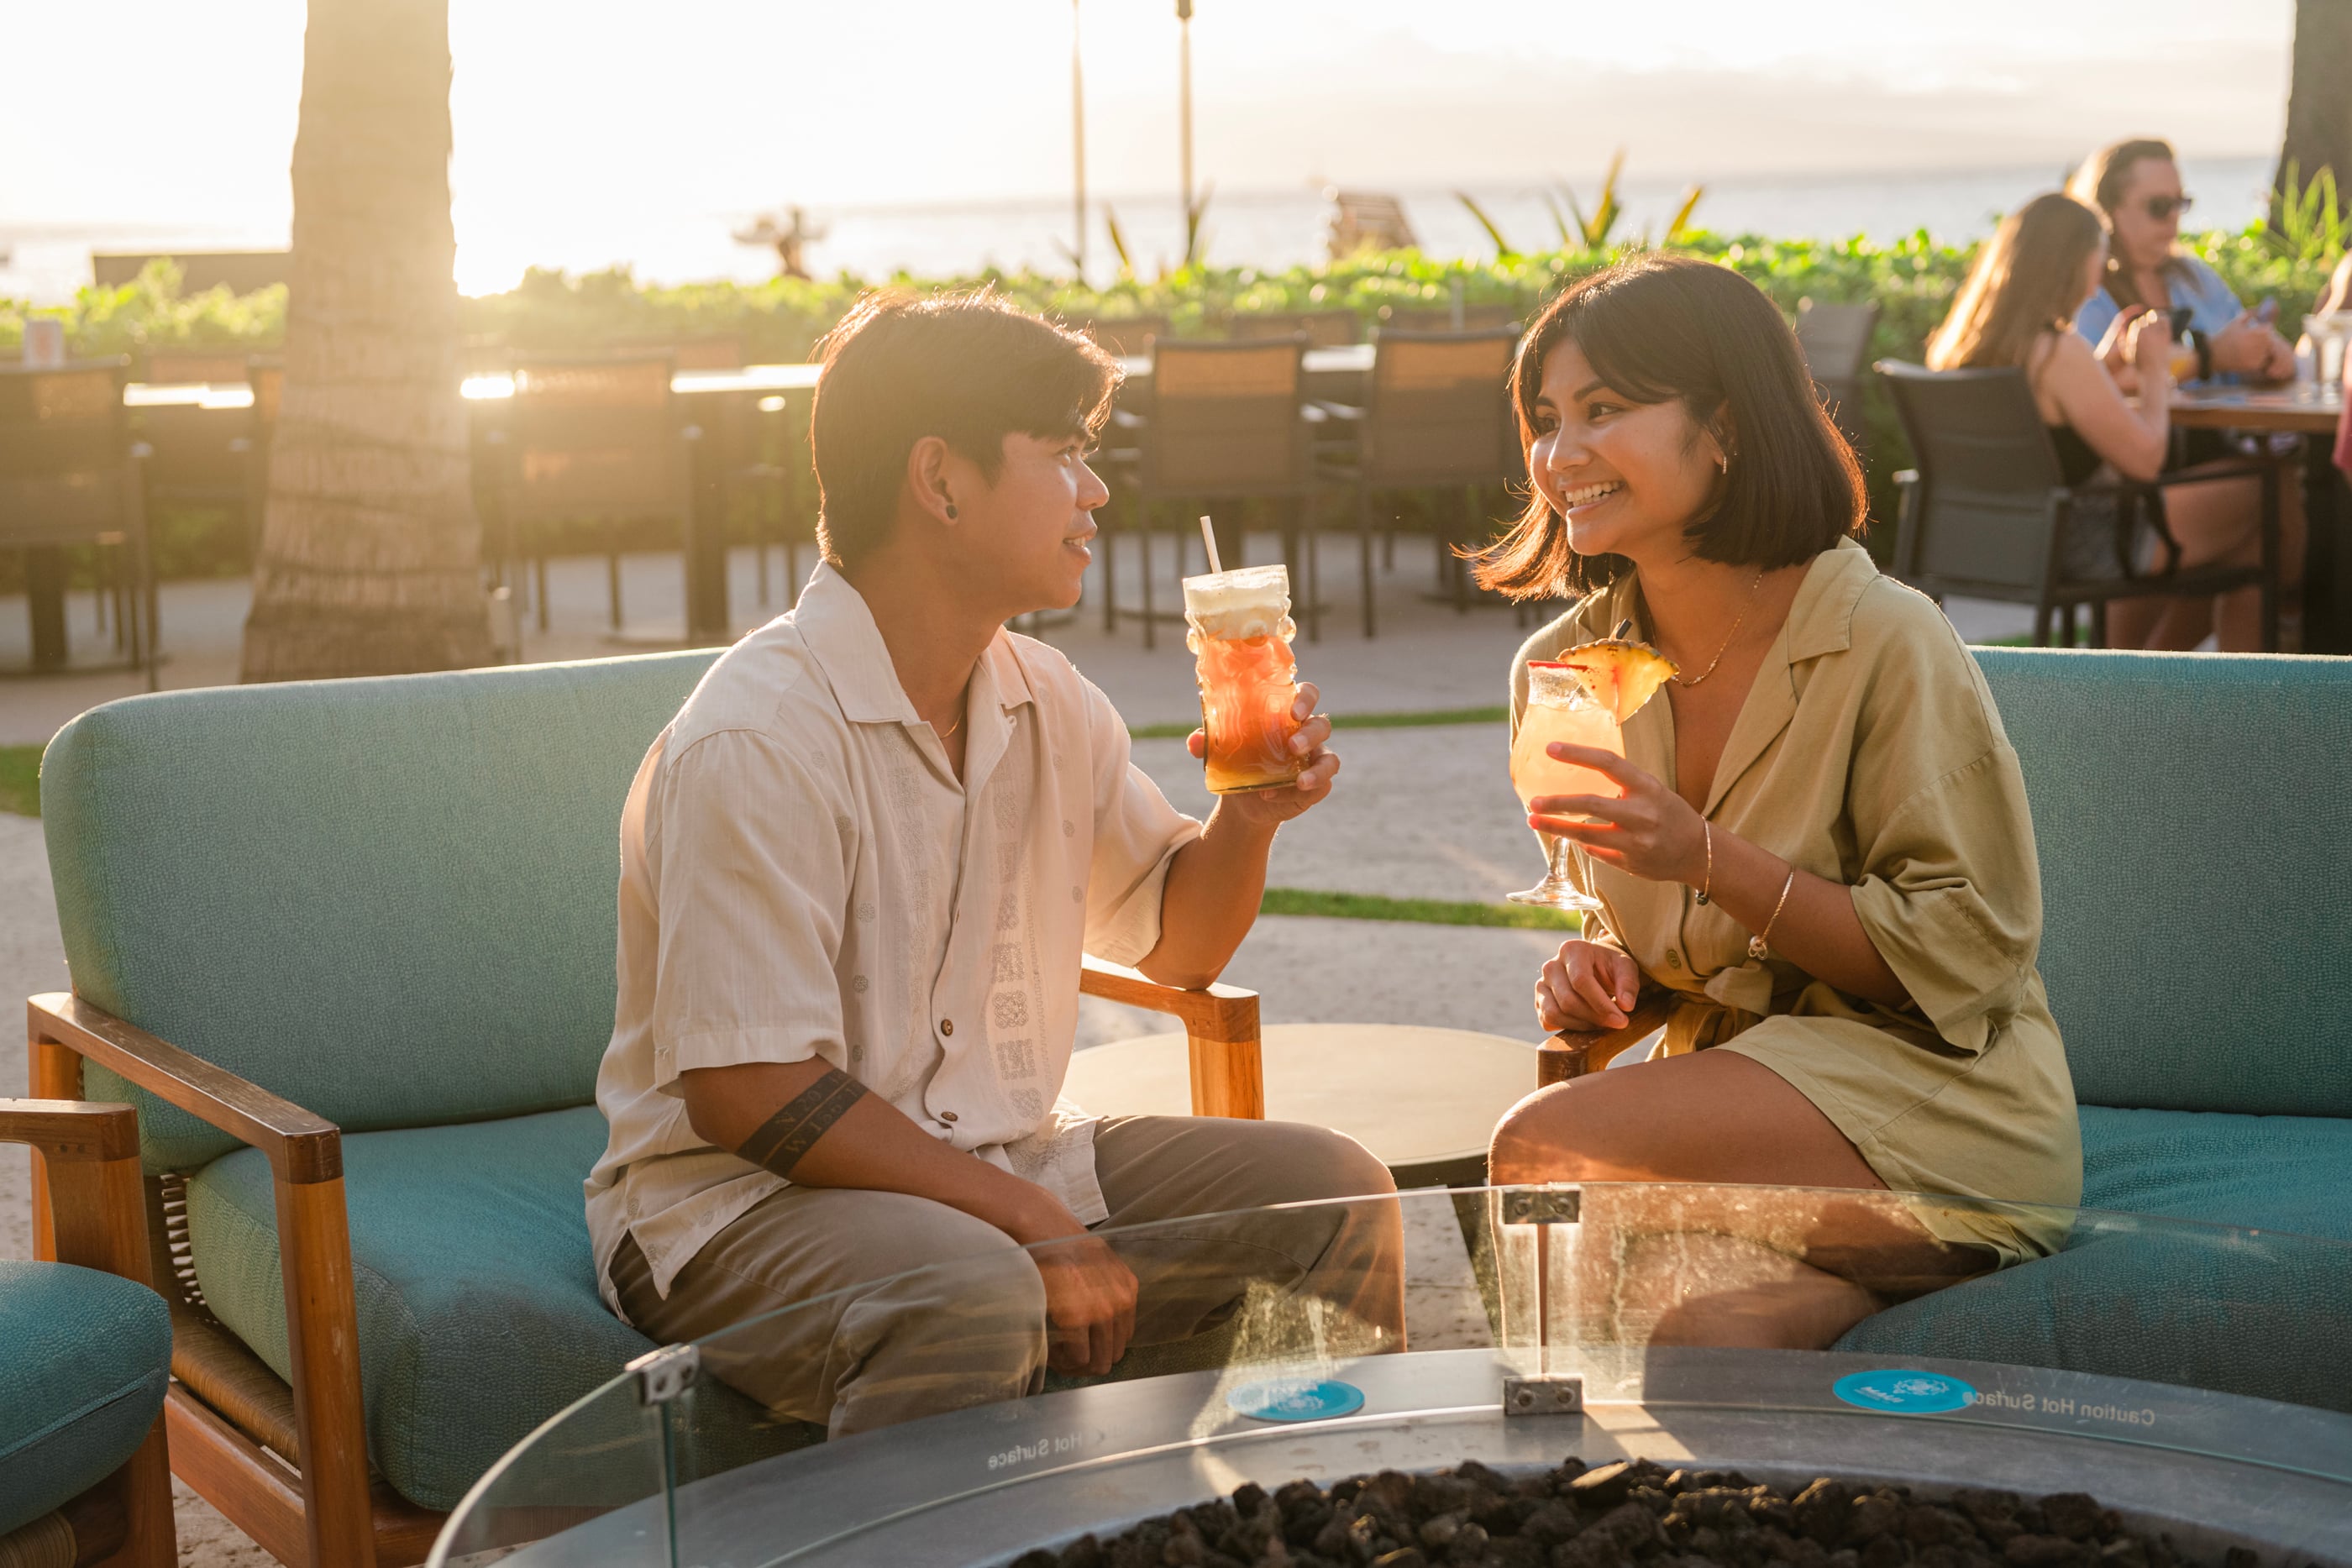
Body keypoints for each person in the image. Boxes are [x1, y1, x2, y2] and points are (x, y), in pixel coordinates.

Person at [585, 290, 1402, 1437]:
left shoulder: (1044, 697)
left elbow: (1177, 943)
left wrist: (1251, 819)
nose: (1097, 490)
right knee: (972, 1288)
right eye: (1065, 453)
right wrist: (1029, 1221)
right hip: (736, 1207)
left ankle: (1297, 1509)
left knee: (1337, 1191)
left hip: (1005, 1159)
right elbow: (746, 1089)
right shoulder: (759, 735)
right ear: (942, 480)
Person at [1479, 255, 2082, 1349]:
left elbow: (1970, 948)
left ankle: (1534, 1453)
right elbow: (1657, 937)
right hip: (1743, 1098)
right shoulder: (1563, 670)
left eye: (1603, 411)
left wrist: (1709, 856)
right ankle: (1866, 1298)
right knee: (1698, 1334)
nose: (1560, 455)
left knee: (1549, 1149)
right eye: (1546, 417)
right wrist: (1610, 978)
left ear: (1725, 427)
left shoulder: (1884, 636)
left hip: (1938, 1098)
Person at [1925, 191, 2294, 650]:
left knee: (2246, 553)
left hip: (2004, 540)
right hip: (2088, 545)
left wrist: (2108, 362)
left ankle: (2150, 684)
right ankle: (2195, 693)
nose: (2096, 283)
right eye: (2096, 263)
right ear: (2071, 265)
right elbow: (2145, 460)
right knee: (2271, 489)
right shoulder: (2060, 351)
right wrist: (2155, 371)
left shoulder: (1963, 348)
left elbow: (2062, 404)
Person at [2068, 139, 2296, 385]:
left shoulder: (2196, 278)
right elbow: (2089, 386)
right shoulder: (2087, 292)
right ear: (2108, 209)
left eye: (2180, 203)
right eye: (2160, 206)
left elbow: (2246, 349)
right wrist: (2210, 357)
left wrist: (2267, 353)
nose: (2174, 217)